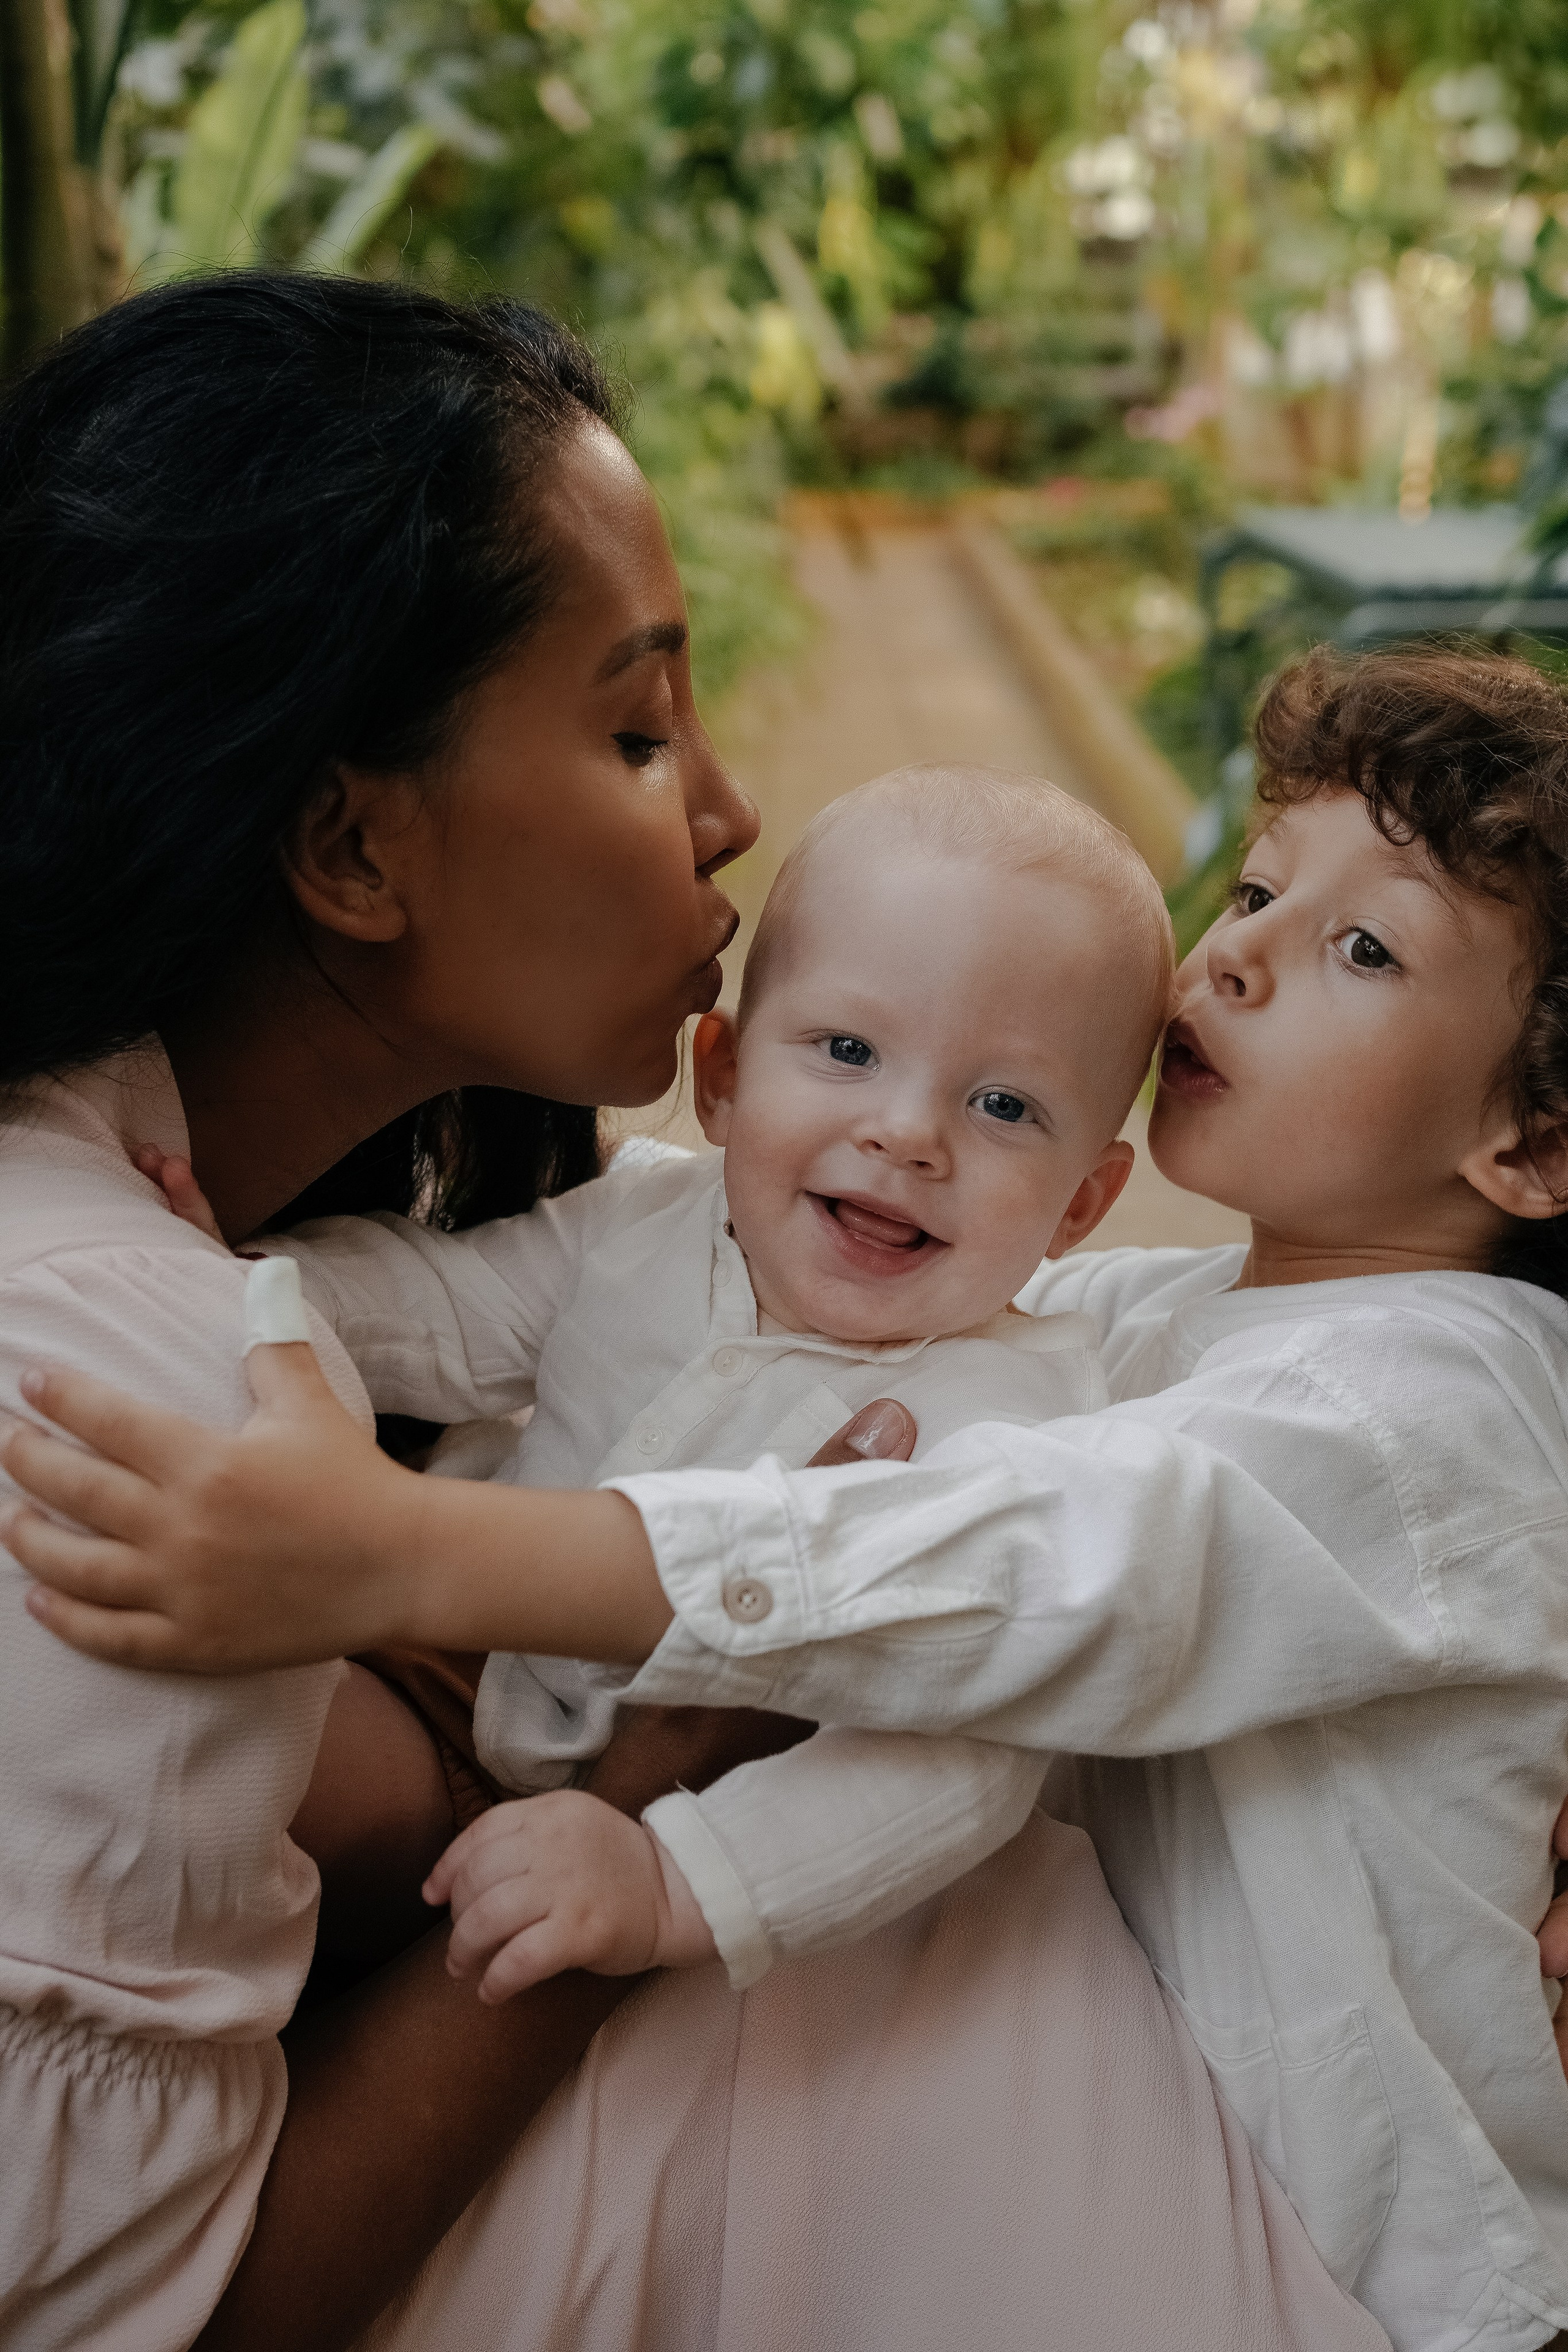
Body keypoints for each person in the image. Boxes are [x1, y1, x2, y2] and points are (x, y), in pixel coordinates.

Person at [0, 270, 1385, 2352]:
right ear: (347, 844)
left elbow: (1206, 1473)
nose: (733, 813)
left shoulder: (224, 1278)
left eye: (1002, 1112)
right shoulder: (133, 1378)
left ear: (1087, 1187)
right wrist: (659, 1779)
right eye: (642, 727)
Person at [145, 764, 1173, 2002]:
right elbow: (437, 1309)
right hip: (413, 1636)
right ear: (726, 1074)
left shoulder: (1010, 1430)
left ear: (1084, 1202)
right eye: (847, 1049)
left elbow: (954, 1768)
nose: (908, 1134)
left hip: (556, 1799)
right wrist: (220, 1277)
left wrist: (672, 1880)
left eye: (1001, 1104)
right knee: (171, 1645)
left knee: (213, 1750)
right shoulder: (648, 1216)